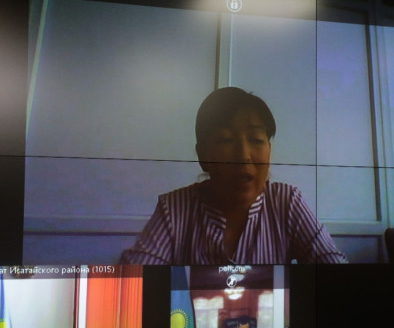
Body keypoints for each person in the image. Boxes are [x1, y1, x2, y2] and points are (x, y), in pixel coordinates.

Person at [121, 87, 347, 265]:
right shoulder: (174, 208)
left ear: (269, 150)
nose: (243, 156)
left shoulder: (287, 202)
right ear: (203, 155)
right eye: (226, 140)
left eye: (256, 140)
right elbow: (134, 282)